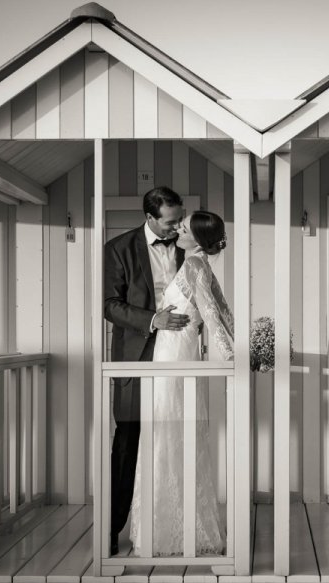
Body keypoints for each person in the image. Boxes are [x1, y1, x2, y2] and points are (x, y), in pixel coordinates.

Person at [130, 210, 233, 557]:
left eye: (184, 227)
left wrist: (235, 356)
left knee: (167, 431)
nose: (178, 229)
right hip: (175, 349)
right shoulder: (198, 264)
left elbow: (212, 313)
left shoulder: (193, 266)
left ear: (197, 238)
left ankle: (167, 533)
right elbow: (221, 311)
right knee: (171, 432)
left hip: (175, 355)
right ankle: (174, 526)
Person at [104, 186, 189, 556]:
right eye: (171, 222)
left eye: (179, 220)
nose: (177, 228)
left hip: (180, 359)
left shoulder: (188, 246)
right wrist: (153, 320)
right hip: (136, 358)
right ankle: (111, 529)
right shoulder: (118, 248)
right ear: (150, 217)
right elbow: (110, 305)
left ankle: (168, 526)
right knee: (128, 443)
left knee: (174, 443)